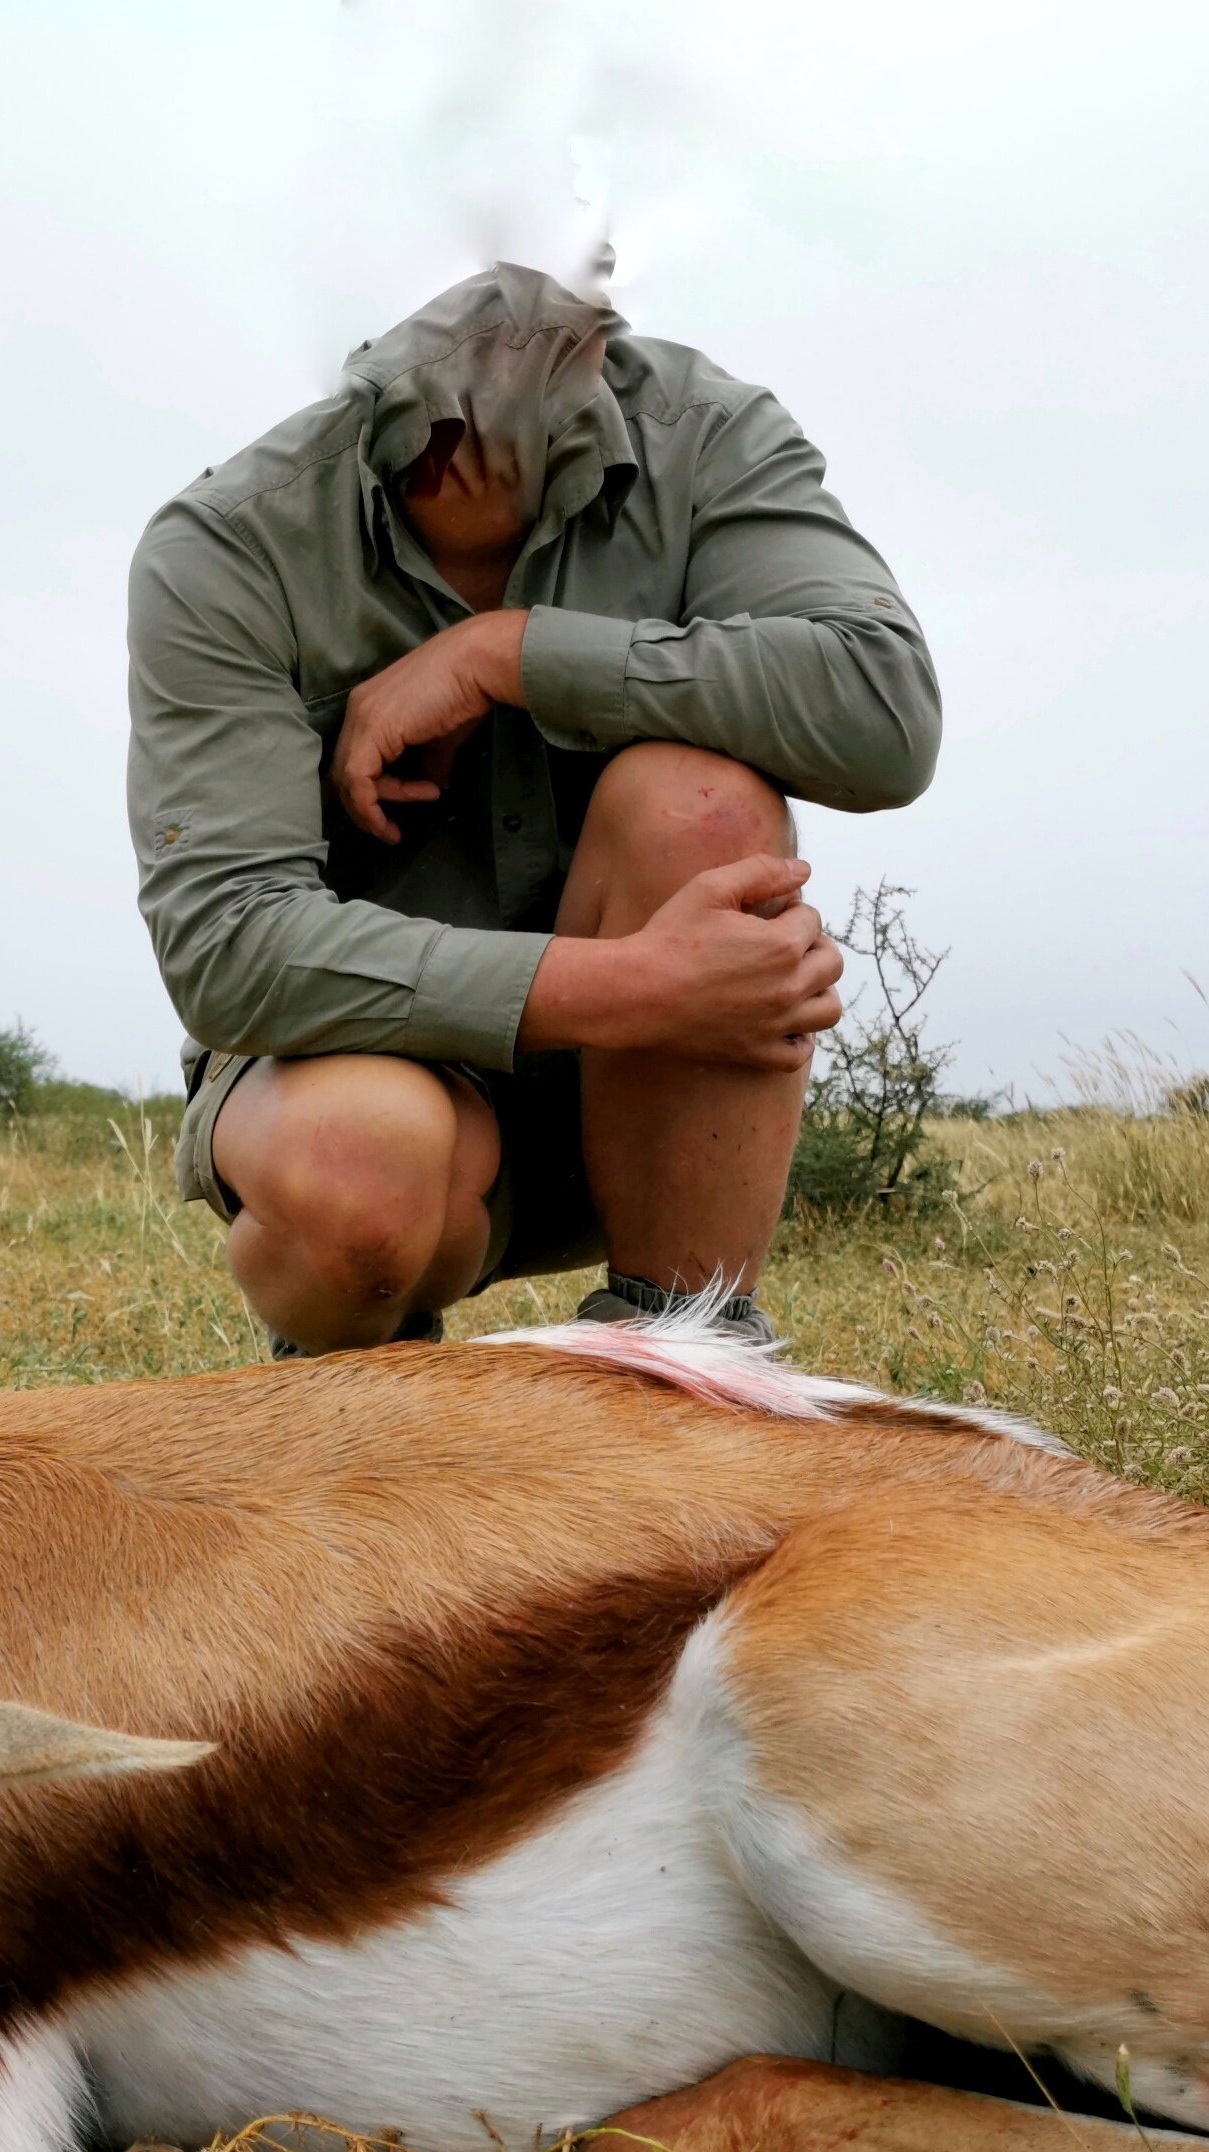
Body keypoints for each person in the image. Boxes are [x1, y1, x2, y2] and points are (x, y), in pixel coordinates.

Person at [128, 262, 940, 1353]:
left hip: (663, 1105)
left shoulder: (700, 434)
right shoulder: (232, 543)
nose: (451, 447)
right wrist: (638, 984)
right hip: (380, 1087)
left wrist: (512, 655)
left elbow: (885, 716)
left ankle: (687, 1364)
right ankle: (355, 1410)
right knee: (357, 1173)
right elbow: (229, 949)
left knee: (701, 806)